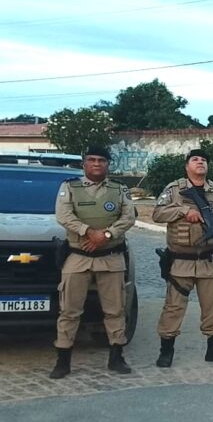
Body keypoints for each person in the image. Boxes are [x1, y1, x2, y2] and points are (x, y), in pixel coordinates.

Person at [50, 145, 136, 379]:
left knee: (116, 310)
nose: (97, 164)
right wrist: (88, 232)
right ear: (84, 163)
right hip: (78, 257)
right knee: (69, 310)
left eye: (101, 160)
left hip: (111, 257)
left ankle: (116, 357)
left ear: (108, 164)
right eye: (92, 160)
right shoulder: (69, 187)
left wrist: (105, 236)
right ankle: (63, 360)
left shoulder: (119, 190)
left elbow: (129, 217)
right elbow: (64, 215)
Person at [153, 149, 213, 367]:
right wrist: (183, 211)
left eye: (204, 160)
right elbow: (158, 214)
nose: (200, 162)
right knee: (173, 307)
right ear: (187, 166)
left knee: (212, 308)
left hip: (209, 261)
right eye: (195, 159)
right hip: (180, 261)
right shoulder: (174, 190)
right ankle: (166, 350)